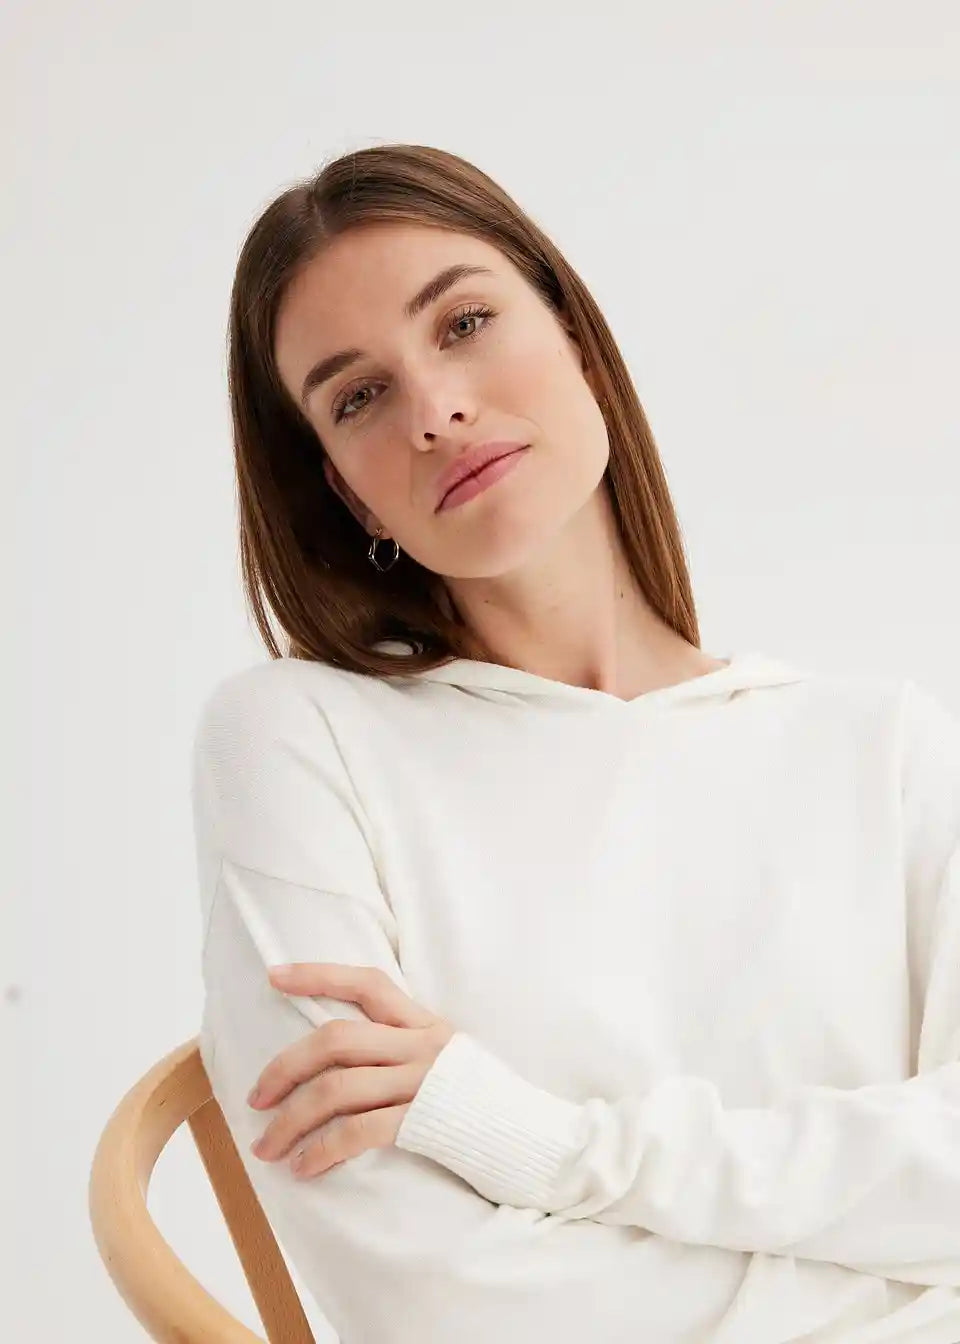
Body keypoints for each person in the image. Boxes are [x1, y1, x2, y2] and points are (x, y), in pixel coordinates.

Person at [190, 143, 960, 1343]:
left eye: (464, 323)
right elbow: (426, 1302)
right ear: (344, 491)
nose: (436, 410)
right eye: (358, 398)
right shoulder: (301, 741)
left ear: (577, 339)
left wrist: (542, 1146)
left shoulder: (884, 749)